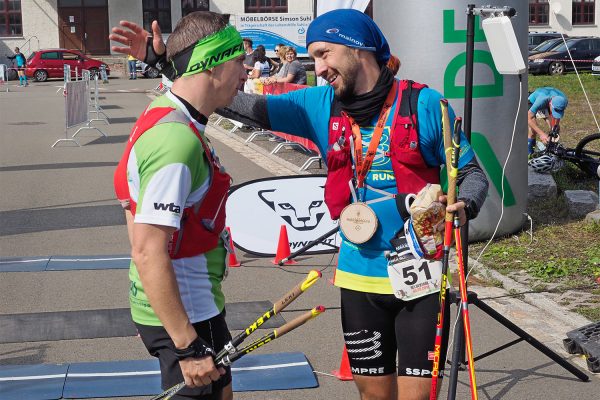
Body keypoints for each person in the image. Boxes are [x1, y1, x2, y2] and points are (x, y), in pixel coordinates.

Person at [111, 8, 489, 400]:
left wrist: (465, 203)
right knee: (374, 395)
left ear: (357, 47)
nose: (318, 66)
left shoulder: (425, 104)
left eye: (324, 54)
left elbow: (473, 174)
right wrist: (169, 64)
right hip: (359, 275)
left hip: (421, 277)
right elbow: (225, 100)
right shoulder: (320, 104)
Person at [110, 11, 247, 400]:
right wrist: (187, 345)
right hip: (184, 313)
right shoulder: (176, 140)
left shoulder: (168, 112)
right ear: (212, 63)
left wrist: (165, 64)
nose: (246, 72)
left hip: (185, 305)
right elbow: (147, 250)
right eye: (238, 60)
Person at [527, 87, 568, 155]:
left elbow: (557, 116)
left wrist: (555, 127)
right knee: (533, 131)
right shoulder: (541, 100)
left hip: (548, 102)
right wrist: (542, 134)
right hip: (531, 102)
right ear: (550, 104)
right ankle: (529, 155)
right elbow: (528, 118)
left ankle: (552, 152)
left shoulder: (564, 100)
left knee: (555, 129)